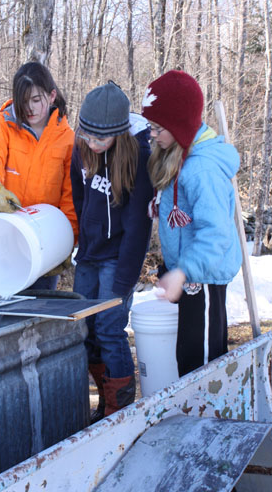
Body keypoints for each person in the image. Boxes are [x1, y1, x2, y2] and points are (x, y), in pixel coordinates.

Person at [141, 69, 242, 377]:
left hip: (205, 276)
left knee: (204, 365)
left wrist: (184, 272)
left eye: (159, 128)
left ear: (180, 125)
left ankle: (209, 421)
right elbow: (181, 206)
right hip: (189, 274)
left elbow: (216, 233)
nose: (153, 135)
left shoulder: (201, 170)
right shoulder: (179, 154)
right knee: (187, 358)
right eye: (151, 127)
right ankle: (195, 418)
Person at [71, 81, 153, 421]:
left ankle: (119, 411)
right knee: (83, 331)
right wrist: (84, 244)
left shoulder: (139, 157)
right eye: (87, 136)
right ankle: (104, 404)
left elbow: (138, 228)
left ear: (118, 133)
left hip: (119, 259)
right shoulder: (83, 146)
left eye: (99, 139)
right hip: (90, 256)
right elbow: (80, 196)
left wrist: (123, 283)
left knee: (108, 329)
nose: (91, 143)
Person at [0, 61, 78, 290]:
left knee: (35, 317)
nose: (29, 108)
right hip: (1, 235)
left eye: (36, 100)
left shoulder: (66, 138)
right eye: (24, 101)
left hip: (43, 241)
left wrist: (67, 240)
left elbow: (70, 197)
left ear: (51, 96)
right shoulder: (4, 124)